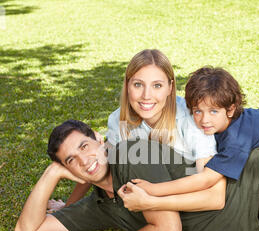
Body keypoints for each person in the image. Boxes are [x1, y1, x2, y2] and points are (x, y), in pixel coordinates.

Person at [14, 120, 259, 231]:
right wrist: (52, 173)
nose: (84, 161)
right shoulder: (99, 205)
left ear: (101, 141)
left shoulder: (132, 154)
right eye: (71, 161)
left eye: (84, 147)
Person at [47, 50, 218, 212]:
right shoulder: (118, 120)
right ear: (127, 85)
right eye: (138, 84)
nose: (146, 95)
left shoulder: (191, 117)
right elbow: (98, 162)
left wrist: (152, 200)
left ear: (170, 87)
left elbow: (209, 186)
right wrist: (68, 206)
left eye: (157, 85)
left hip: (191, 201)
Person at [124, 66, 259, 204]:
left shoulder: (237, 138)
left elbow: (207, 179)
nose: (204, 120)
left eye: (213, 111)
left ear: (230, 109)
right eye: (197, 111)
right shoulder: (222, 126)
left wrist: (154, 189)